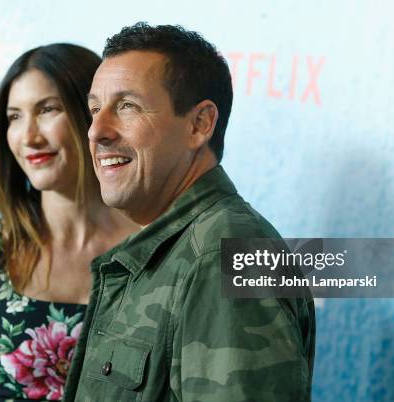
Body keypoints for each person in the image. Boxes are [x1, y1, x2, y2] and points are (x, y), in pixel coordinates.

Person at [63, 23, 315, 402]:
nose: (96, 131)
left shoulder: (225, 254)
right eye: (95, 109)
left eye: (127, 106)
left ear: (199, 125)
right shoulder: (182, 246)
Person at [0, 43, 138, 401]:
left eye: (48, 110)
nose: (28, 137)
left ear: (93, 116)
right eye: (14, 117)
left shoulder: (156, 247)